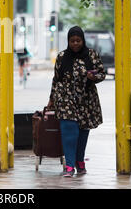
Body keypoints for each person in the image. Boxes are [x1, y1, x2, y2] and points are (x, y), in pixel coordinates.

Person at [47, 26, 105, 177]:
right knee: (69, 131)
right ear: (68, 41)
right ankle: (70, 165)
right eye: (72, 41)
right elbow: (56, 79)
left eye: (78, 40)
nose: (75, 44)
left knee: (83, 132)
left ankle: (80, 161)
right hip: (65, 98)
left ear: (83, 40)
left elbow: (102, 73)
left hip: (86, 99)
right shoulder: (61, 57)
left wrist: (94, 77)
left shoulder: (92, 55)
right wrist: (52, 99)